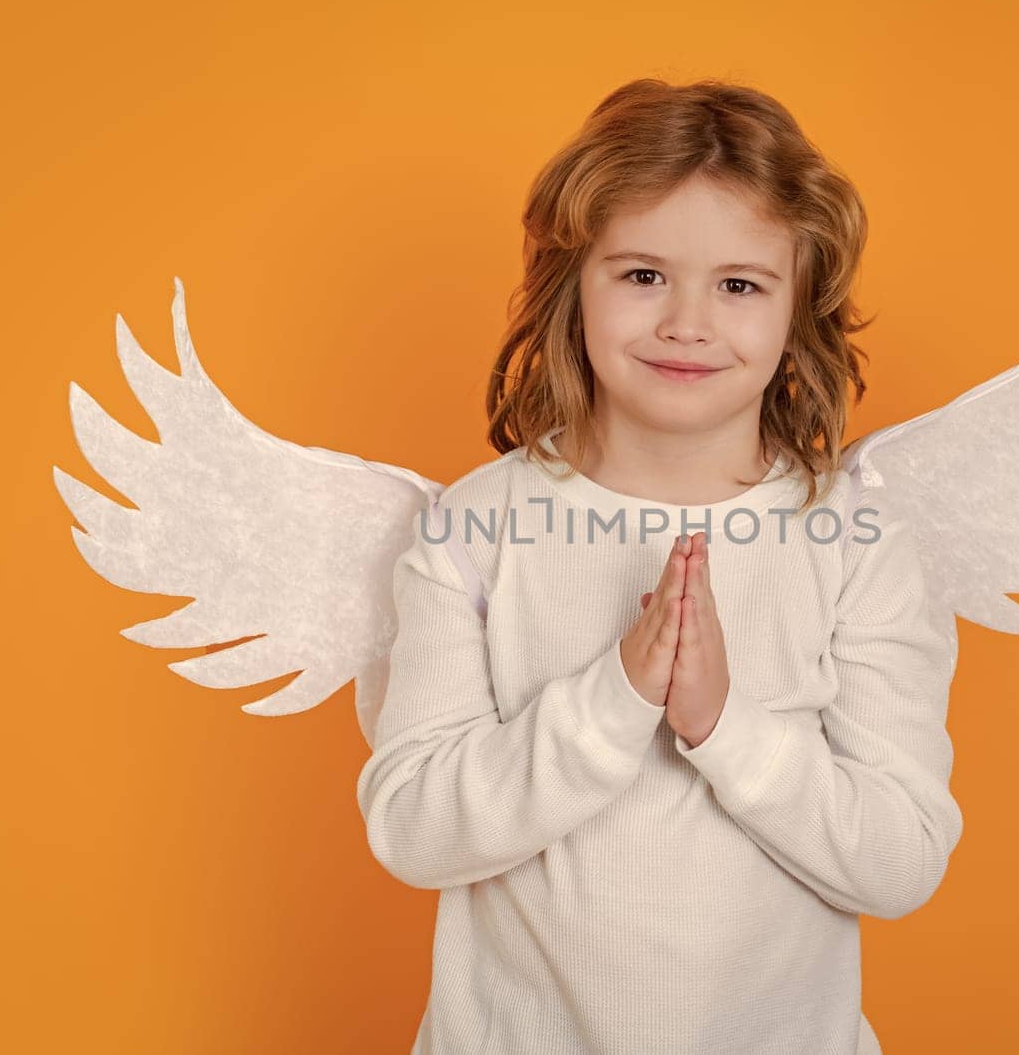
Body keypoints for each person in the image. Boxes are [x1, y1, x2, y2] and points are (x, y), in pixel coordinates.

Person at [357, 77, 962, 1054]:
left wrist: (722, 723)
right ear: (574, 284)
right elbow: (414, 828)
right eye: (642, 275)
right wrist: (612, 698)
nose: (687, 321)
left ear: (796, 305)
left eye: (738, 284)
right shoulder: (471, 527)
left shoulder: (858, 542)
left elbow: (899, 859)